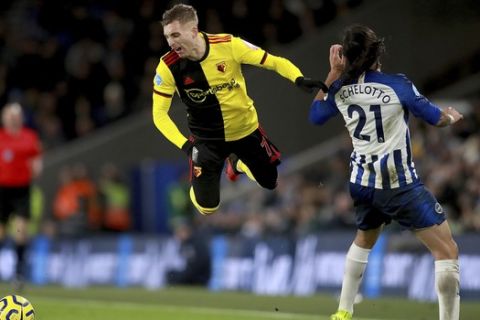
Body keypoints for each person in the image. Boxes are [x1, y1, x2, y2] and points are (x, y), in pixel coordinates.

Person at [309, 25, 462, 320]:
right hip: (398, 185)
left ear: (345, 56)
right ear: (378, 52)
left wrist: (332, 74)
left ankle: (343, 311)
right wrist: (451, 117)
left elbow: (315, 117)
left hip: (362, 184)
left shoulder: (340, 87)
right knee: (447, 251)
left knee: (364, 240)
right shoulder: (398, 85)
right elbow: (435, 118)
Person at [152, 4, 326, 215]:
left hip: (245, 129)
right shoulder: (168, 67)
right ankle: (210, 178)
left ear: (194, 31)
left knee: (270, 182)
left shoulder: (228, 45)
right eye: (168, 36)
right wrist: (187, 147)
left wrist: (298, 78)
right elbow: (159, 114)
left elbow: (273, 61)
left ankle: (237, 164)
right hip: (207, 141)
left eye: (176, 35)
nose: (171, 42)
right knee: (207, 209)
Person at [0, 102, 43, 288]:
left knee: (21, 231)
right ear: (4, 118)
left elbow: (36, 159)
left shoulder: (29, 137)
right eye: (10, 115)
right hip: (1, 190)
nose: (13, 118)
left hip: (21, 191)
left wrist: (35, 169)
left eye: (16, 115)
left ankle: (18, 273)